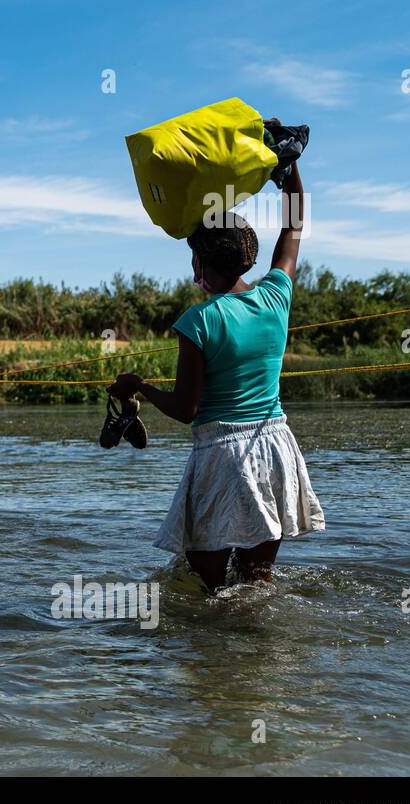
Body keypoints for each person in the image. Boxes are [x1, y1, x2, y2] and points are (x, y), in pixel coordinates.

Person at [107, 162, 324, 593]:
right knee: (255, 586)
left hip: (222, 454)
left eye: (195, 259)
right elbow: (295, 224)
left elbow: (186, 410)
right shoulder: (275, 297)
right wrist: (291, 165)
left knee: (207, 591)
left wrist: (139, 387)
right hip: (276, 446)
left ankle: (214, 658)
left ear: (202, 262)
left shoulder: (198, 321)